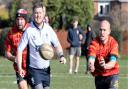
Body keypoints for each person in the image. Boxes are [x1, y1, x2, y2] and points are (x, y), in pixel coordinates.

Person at [16, 3, 66, 89]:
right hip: (34, 70)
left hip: (46, 70)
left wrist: (61, 55)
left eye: (39, 13)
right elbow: (19, 49)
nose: (38, 15)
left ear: (43, 14)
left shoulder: (48, 29)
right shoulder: (29, 31)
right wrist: (20, 68)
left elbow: (57, 44)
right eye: (36, 13)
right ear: (33, 14)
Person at [88, 20, 119, 89]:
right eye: (100, 30)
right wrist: (91, 65)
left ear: (109, 31)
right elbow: (91, 57)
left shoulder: (114, 43)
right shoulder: (94, 43)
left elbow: (113, 62)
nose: (102, 32)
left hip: (112, 74)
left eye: (104, 30)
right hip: (99, 75)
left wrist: (105, 65)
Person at [4, 9, 30, 89]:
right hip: (20, 68)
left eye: (22, 19)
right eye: (18, 19)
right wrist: (14, 58)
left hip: (34, 67)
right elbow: (7, 53)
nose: (19, 22)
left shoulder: (32, 29)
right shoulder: (11, 33)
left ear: (25, 20)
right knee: (23, 87)